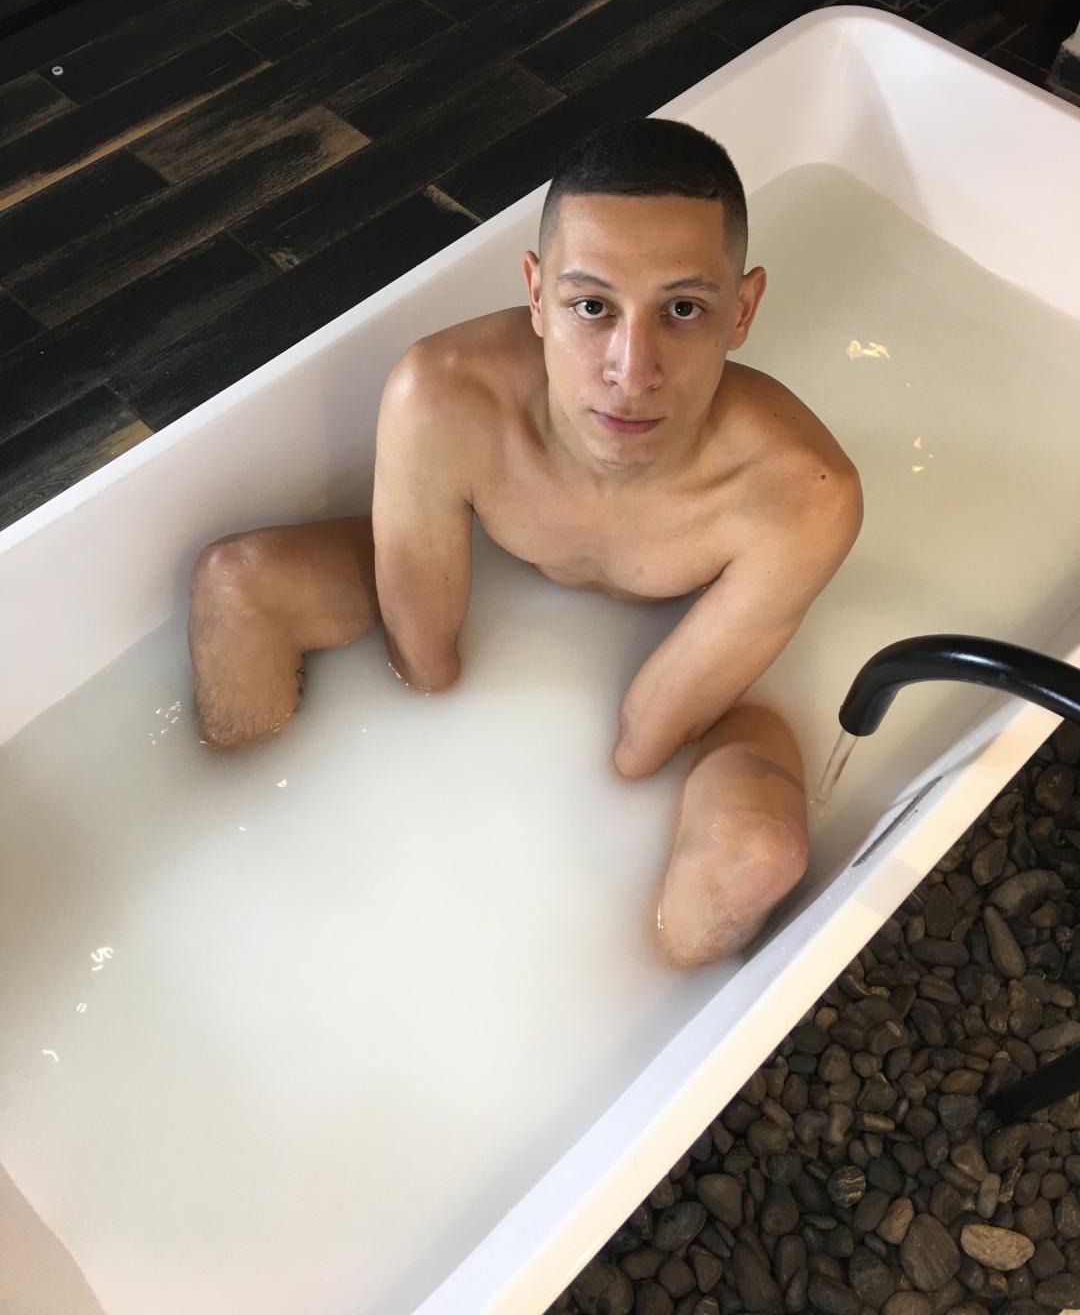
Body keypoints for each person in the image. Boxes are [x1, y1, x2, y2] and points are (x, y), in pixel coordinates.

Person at [187, 116, 863, 968]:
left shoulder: (801, 495)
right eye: (592, 307)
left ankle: (651, 1002)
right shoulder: (443, 394)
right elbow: (422, 659)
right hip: (499, 558)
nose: (631, 370)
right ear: (537, 297)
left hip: (708, 680)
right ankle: (223, 835)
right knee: (234, 585)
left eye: (683, 309)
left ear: (744, 309)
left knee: (756, 854)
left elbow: (643, 744)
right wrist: (396, 785)